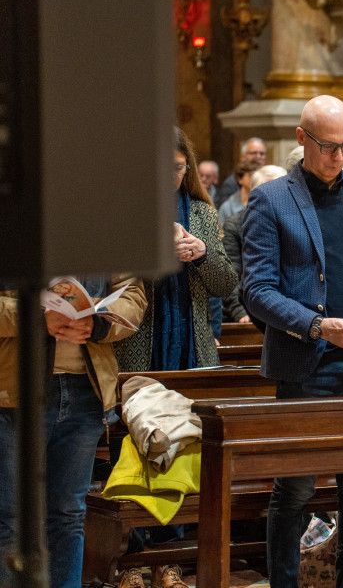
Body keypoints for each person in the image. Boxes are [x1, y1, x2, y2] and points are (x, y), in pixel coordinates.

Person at [241, 95, 343, 588]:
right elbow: (257, 290)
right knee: (295, 488)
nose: (338, 157)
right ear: (301, 138)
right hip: (310, 362)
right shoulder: (271, 199)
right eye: (328, 146)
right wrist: (319, 326)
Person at [0, 277, 146, 588]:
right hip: (14, 393)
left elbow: (133, 294)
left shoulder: (98, 230)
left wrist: (99, 325)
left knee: (68, 515)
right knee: (9, 516)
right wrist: (37, 318)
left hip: (86, 391)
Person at [115, 128, 237, 372]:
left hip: (195, 342)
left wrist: (203, 254)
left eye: (178, 167)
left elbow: (225, 284)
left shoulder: (203, 213)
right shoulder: (125, 214)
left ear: (187, 167)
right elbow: (114, 284)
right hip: (139, 341)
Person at [222, 165, 288, 324]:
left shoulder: (293, 223)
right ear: (254, 194)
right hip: (249, 311)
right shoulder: (235, 224)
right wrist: (240, 312)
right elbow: (231, 276)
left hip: (289, 311)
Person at [215, 137, 267, 208]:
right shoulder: (231, 183)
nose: (258, 157)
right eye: (254, 153)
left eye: (262, 153)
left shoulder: (269, 178)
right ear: (243, 157)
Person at [217, 159, 261, 226]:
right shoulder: (227, 207)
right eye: (251, 175)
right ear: (240, 179)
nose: (255, 179)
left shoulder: (264, 202)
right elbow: (221, 233)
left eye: (257, 176)